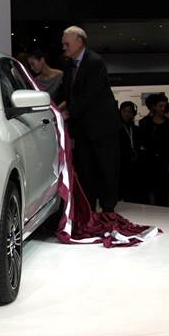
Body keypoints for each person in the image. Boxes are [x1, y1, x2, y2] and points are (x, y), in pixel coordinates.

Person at [57, 26, 122, 213]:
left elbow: (90, 95)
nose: (64, 47)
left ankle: (108, 210)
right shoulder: (69, 65)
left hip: (103, 127)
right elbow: (66, 94)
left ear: (79, 42)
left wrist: (67, 113)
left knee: (106, 169)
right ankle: (90, 210)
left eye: (66, 43)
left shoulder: (95, 62)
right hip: (83, 128)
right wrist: (51, 107)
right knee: (86, 171)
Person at [138, 94, 168, 205]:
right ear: (154, 106)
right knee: (151, 189)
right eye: (160, 106)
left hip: (166, 161)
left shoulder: (168, 123)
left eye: (165, 106)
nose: (163, 108)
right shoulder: (145, 123)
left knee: (165, 191)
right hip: (150, 161)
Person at [118, 101, 144, 204]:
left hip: (135, 164)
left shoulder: (136, 129)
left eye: (129, 111)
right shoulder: (117, 129)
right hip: (122, 164)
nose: (127, 114)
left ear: (133, 113)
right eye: (124, 111)